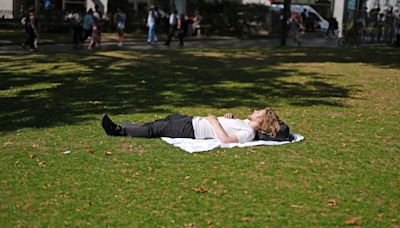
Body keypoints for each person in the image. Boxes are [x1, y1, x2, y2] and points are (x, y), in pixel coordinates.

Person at [101, 108, 284, 144]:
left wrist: (214, 121)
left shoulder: (248, 132)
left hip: (192, 130)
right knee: (160, 122)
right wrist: (227, 118)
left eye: (258, 111)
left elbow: (226, 140)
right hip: (193, 121)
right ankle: (130, 127)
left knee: (154, 130)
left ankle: (117, 130)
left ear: (261, 120)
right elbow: (229, 127)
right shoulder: (244, 124)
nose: (255, 109)